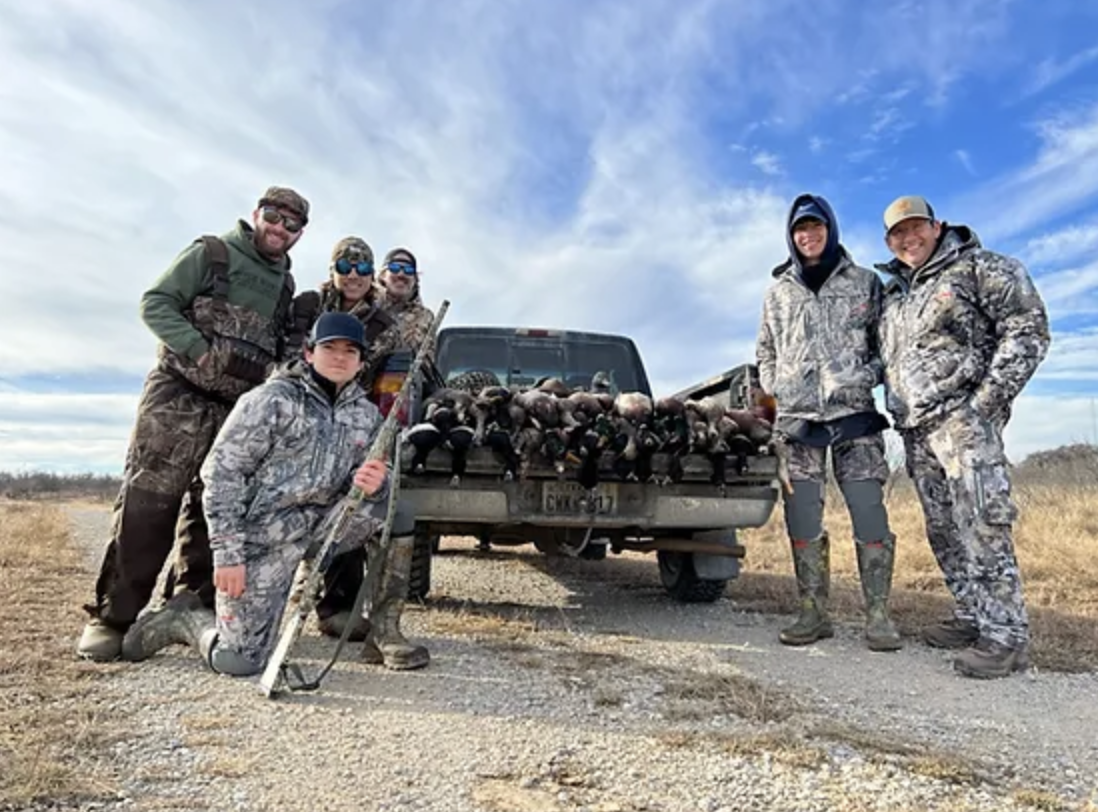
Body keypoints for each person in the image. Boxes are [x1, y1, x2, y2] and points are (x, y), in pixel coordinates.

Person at [120, 312, 430, 674]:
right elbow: (221, 474)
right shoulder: (269, 401)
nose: (340, 357)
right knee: (237, 660)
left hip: (325, 528)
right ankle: (185, 619)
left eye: (351, 351)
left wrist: (377, 482)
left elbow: (376, 481)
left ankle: (384, 632)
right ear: (310, 352)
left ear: (361, 362)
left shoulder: (367, 416)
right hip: (264, 539)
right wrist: (228, 554)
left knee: (397, 511)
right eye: (330, 348)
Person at [77, 186, 309, 662]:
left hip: (234, 408)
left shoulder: (285, 284)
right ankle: (113, 617)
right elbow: (155, 303)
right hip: (177, 395)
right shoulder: (212, 252)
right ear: (255, 214)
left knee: (216, 507)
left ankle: (189, 604)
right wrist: (201, 351)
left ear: (299, 234)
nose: (279, 229)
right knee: (150, 502)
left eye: (291, 224)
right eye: (272, 216)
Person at [876, 195, 1050, 678]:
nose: (908, 239)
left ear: (937, 226)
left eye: (916, 228)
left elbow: (1028, 328)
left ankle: (1006, 636)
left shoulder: (979, 268)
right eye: (897, 233)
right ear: (889, 241)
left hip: (962, 422)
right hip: (915, 428)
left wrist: (986, 402)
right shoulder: (896, 296)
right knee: (944, 528)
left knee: (982, 522)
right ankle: (973, 614)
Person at [756, 193, 901, 652]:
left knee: (868, 511)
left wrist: (863, 374)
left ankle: (878, 615)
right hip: (799, 421)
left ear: (830, 229)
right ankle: (813, 612)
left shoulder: (864, 282)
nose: (808, 235)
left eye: (816, 226)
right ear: (791, 236)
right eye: (800, 229)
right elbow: (765, 348)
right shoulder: (778, 292)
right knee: (802, 516)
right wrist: (776, 382)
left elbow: (888, 345)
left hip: (853, 416)